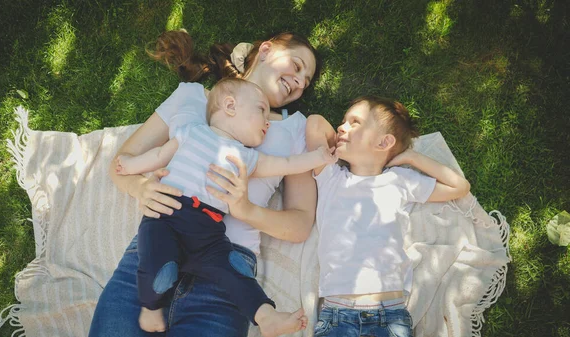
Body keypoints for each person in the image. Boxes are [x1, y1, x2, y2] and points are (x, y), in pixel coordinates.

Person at [89, 29, 319, 337]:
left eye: (306, 81)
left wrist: (244, 208)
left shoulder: (296, 129)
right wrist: (140, 188)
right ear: (266, 50)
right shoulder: (191, 97)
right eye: (297, 65)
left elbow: (301, 224)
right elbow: (123, 161)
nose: (300, 83)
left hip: (223, 270)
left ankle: (265, 315)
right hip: (154, 248)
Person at [305, 96, 471, 337]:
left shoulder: (399, 180)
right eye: (343, 122)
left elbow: (459, 187)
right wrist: (342, 143)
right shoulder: (331, 176)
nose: (342, 127)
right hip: (337, 315)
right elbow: (315, 123)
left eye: (355, 122)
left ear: (384, 142)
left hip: (389, 316)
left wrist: (412, 157)